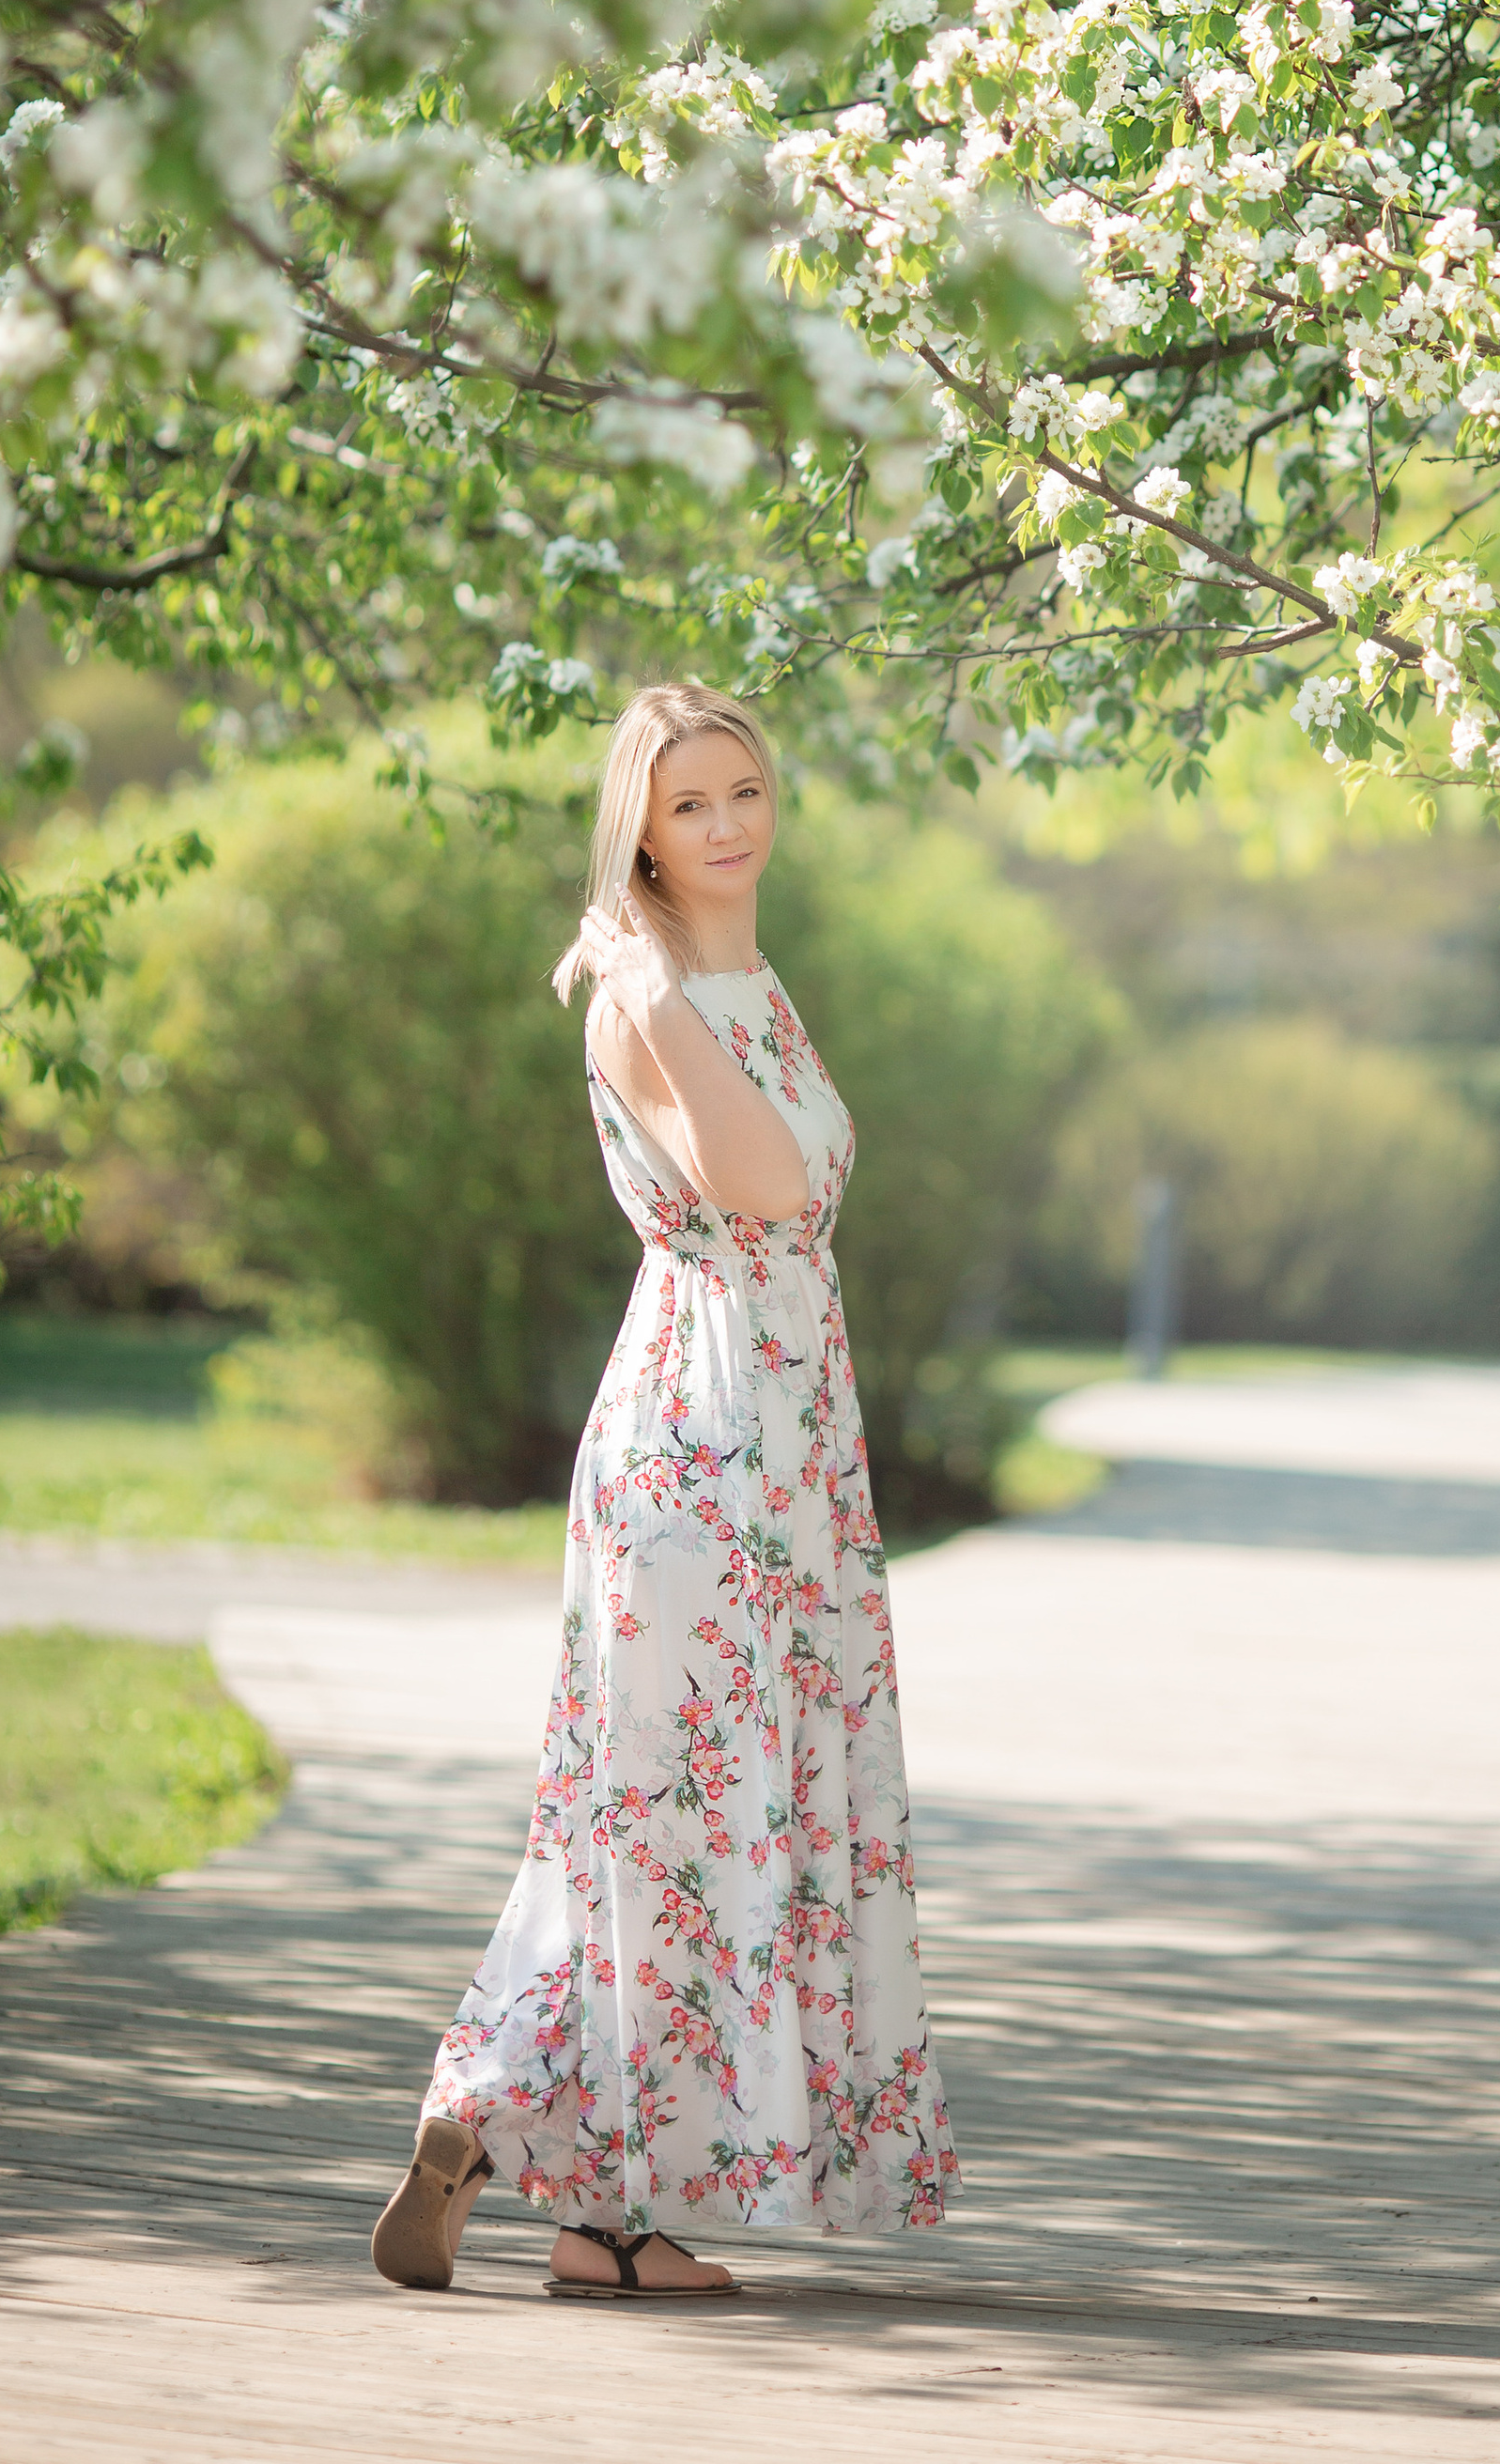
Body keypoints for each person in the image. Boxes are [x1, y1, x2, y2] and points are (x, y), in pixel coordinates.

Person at [371, 679, 957, 2301]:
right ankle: (583, 2181)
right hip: (700, 1440)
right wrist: (670, 1004)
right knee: (670, 1810)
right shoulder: (642, 999)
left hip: (778, 1431)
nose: (727, 825)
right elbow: (767, 1187)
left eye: (746, 791)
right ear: (637, 825)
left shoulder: (745, 979)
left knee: (688, 1806)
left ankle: (545, 2161)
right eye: (690, 803)